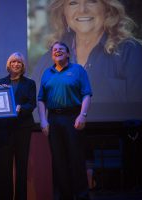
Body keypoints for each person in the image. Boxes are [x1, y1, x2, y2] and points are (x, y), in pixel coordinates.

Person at [32, 0, 142, 120]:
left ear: (107, 7)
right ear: (63, 11)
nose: (82, 10)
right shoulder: (48, 59)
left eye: (92, 1)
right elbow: (34, 111)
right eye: (73, 3)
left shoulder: (130, 53)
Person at [38, 41, 92, 200]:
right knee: (59, 160)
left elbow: (86, 94)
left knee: (76, 159)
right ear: (51, 55)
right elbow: (41, 99)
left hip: (73, 117)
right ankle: (63, 196)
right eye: (54, 50)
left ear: (68, 54)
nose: (57, 51)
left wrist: (83, 115)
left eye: (61, 49)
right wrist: (43, 120)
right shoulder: (47, 73)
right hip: (53, 119)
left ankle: (81, 195)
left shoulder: (78, 70)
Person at [0, 52, 36, 200]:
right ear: (8, 64)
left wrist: (20, 108)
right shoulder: (0, 82)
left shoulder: (30, 83)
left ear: (23, 65)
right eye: (13, 62)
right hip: (4, 128)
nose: (16, 64)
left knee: (21, 165)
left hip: (22, 128)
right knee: (4, 166)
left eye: (19, 62)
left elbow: (32, 104)